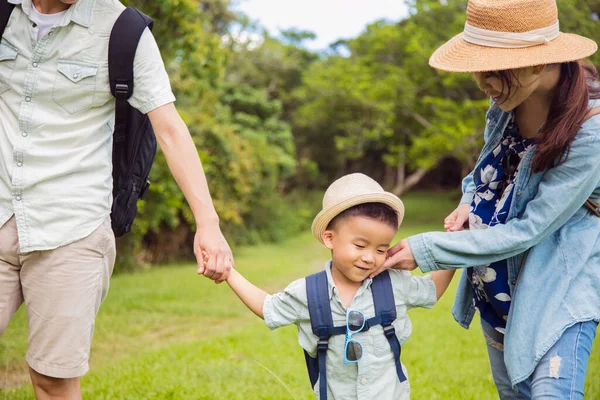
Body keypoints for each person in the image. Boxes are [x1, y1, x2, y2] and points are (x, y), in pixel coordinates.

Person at [0, 0, 233, 398]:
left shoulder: (123, 30)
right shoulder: (6, 13)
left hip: (71, 229)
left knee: (52, 380)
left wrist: (208, 223)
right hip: (3, 210)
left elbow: (170, 129)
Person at [377, 0, 600, 398]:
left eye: (492, 69)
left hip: (554, 293)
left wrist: (430, 248)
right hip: (494, 292)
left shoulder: (590, 133)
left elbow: (530, 228)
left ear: (537, 63)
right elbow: (483, 171)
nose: (482, 81)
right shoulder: (504, 104)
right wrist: (467, 199)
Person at [202, 173, 455, 399]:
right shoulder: (309, 293)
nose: (369, 257)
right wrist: (228, 273)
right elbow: (267, 307)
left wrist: (457, 250)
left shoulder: (393, 284)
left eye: (381, 249)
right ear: (329, 238)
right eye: (360, 246)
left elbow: (431, 290)